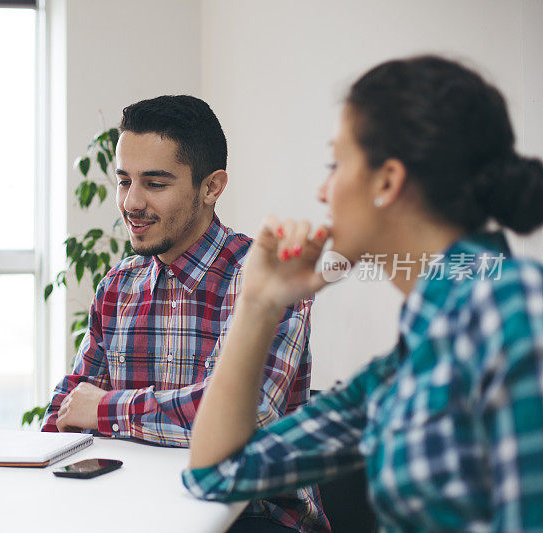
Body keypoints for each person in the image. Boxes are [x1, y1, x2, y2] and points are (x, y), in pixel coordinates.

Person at [184, 55, 543, 531]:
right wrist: (259, 303)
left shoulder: (509, 307)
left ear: (388, 181)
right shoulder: (404, 366)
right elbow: (216, 475)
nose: (321, 191)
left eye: (335, 163)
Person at [43, 95, 328, 531]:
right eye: (124, 181)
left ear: (212, 187)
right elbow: (63, 411)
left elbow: (242, 420)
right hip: (136, 508)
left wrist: (105, 410)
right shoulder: (118, 286)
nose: (131, 203)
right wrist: (88, 410)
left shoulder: (265, 277)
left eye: (155, 184)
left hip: (253, 518)